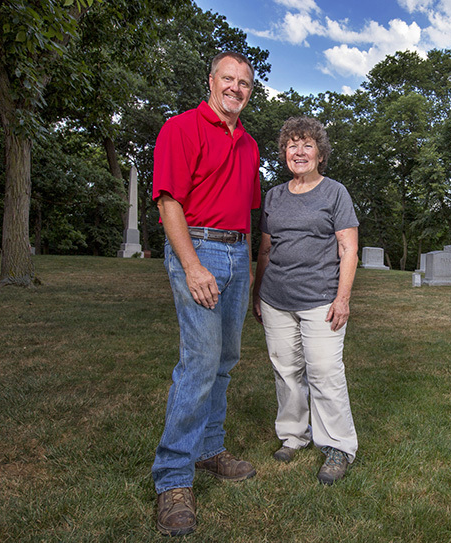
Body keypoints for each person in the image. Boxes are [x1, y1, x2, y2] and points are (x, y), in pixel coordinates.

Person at [150, 51, 261, 537]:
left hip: (238, 251)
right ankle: (173, 478)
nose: (235, 88)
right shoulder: (180, 128)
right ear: (211, 82)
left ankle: (209, 449)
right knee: (198, 361)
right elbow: (169, 200)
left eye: (244, 84)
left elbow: (249, 214)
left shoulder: (251, 145)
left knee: (226, 358)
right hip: (199, 247)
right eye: (228, 79)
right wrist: (192, 265)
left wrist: (254, 272)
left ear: (250, 92)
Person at [252, 116, 359, 485]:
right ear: (284, 153)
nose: (299, 151)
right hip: (276, 299)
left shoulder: (335, 193)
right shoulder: (274, 196)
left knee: (326, 372)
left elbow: (349, 249)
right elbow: (265, 250)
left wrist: (342, 298)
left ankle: (338, 446)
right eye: (292, 144)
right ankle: (293, 435)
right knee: (286, 371)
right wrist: (257, 294)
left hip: (320, 299)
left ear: (320, 154)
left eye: (307, 144)